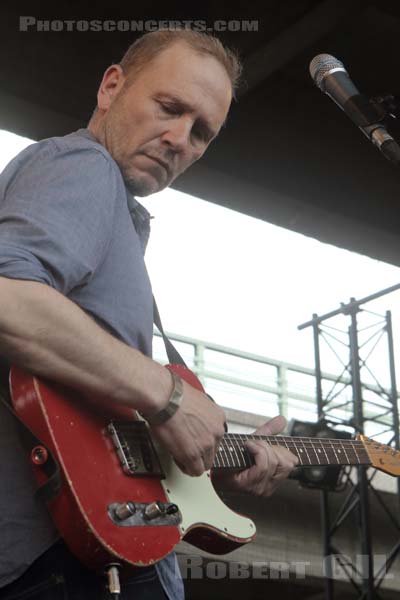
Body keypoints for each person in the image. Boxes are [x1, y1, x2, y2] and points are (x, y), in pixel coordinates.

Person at [0, 29, 298, 600]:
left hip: (88, 552)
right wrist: (171, 397)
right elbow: (10, 293)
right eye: (170, 107)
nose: (180, 139)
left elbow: (104, 430)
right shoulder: (81, 164)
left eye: (202, 132)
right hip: (58, 563)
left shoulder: (117, 215)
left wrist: (214, 461)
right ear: (112, 86)